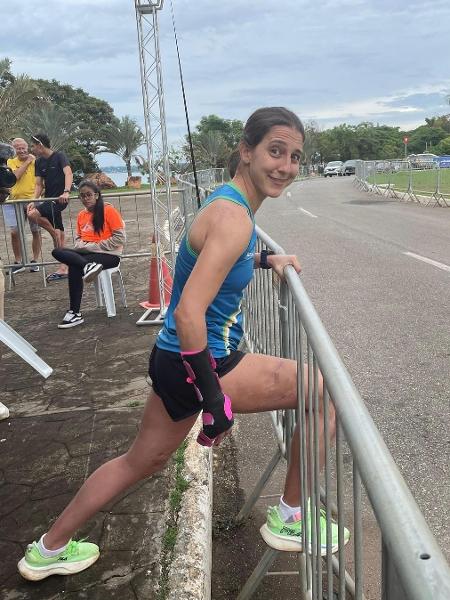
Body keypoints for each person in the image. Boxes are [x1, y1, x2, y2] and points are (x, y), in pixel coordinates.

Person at [17, 107, 348, 581]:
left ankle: (47, 550)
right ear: (246, 150)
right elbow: (191, 312)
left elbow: (214, 258)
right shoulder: (234, 217)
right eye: (276, 151)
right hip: (204, 360)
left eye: (295, 156)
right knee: (324, 390)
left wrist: (264, 259)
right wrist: (214, 399)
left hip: (174, 359)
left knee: (141, 461)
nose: (286, 166)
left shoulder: (226, 205)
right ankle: (293, 515)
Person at [50, 180, 126, 329]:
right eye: (82, 196)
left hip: (109, 255)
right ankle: (88, 266)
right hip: (86, 254)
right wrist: (84, 247)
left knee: (73, 265)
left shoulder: (108, 211)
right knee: (57, 251)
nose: (86, 199)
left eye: (89, 195)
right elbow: (79, 239)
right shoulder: (81, 215)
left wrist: (94, 247)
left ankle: (74, 313)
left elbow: (120, 238)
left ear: (96, 195)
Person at [27, 133, 73, 282]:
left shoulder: (59, 156)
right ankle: (64, 267)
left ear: (40, 145)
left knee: (33, 215)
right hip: (48, 200)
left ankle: (54, 234)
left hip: (59, 199)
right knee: (59, 232)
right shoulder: (38, 162)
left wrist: (66, 191)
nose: (32, 149)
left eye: (33, 146)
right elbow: (39, 184)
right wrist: (34, 200)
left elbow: (68, 173)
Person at [2, 138, 41, 273]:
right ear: (14, 150)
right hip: (14, 201)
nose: (22, 150)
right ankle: (18, 261)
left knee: (35, 230)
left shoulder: (37, 162)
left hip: (32, 201)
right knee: (14, 232)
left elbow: (41, 180)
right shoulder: (10, 162)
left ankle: (34, 261)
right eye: (18, 148)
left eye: (24, 147)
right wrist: (28, 161)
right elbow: (14, 177)